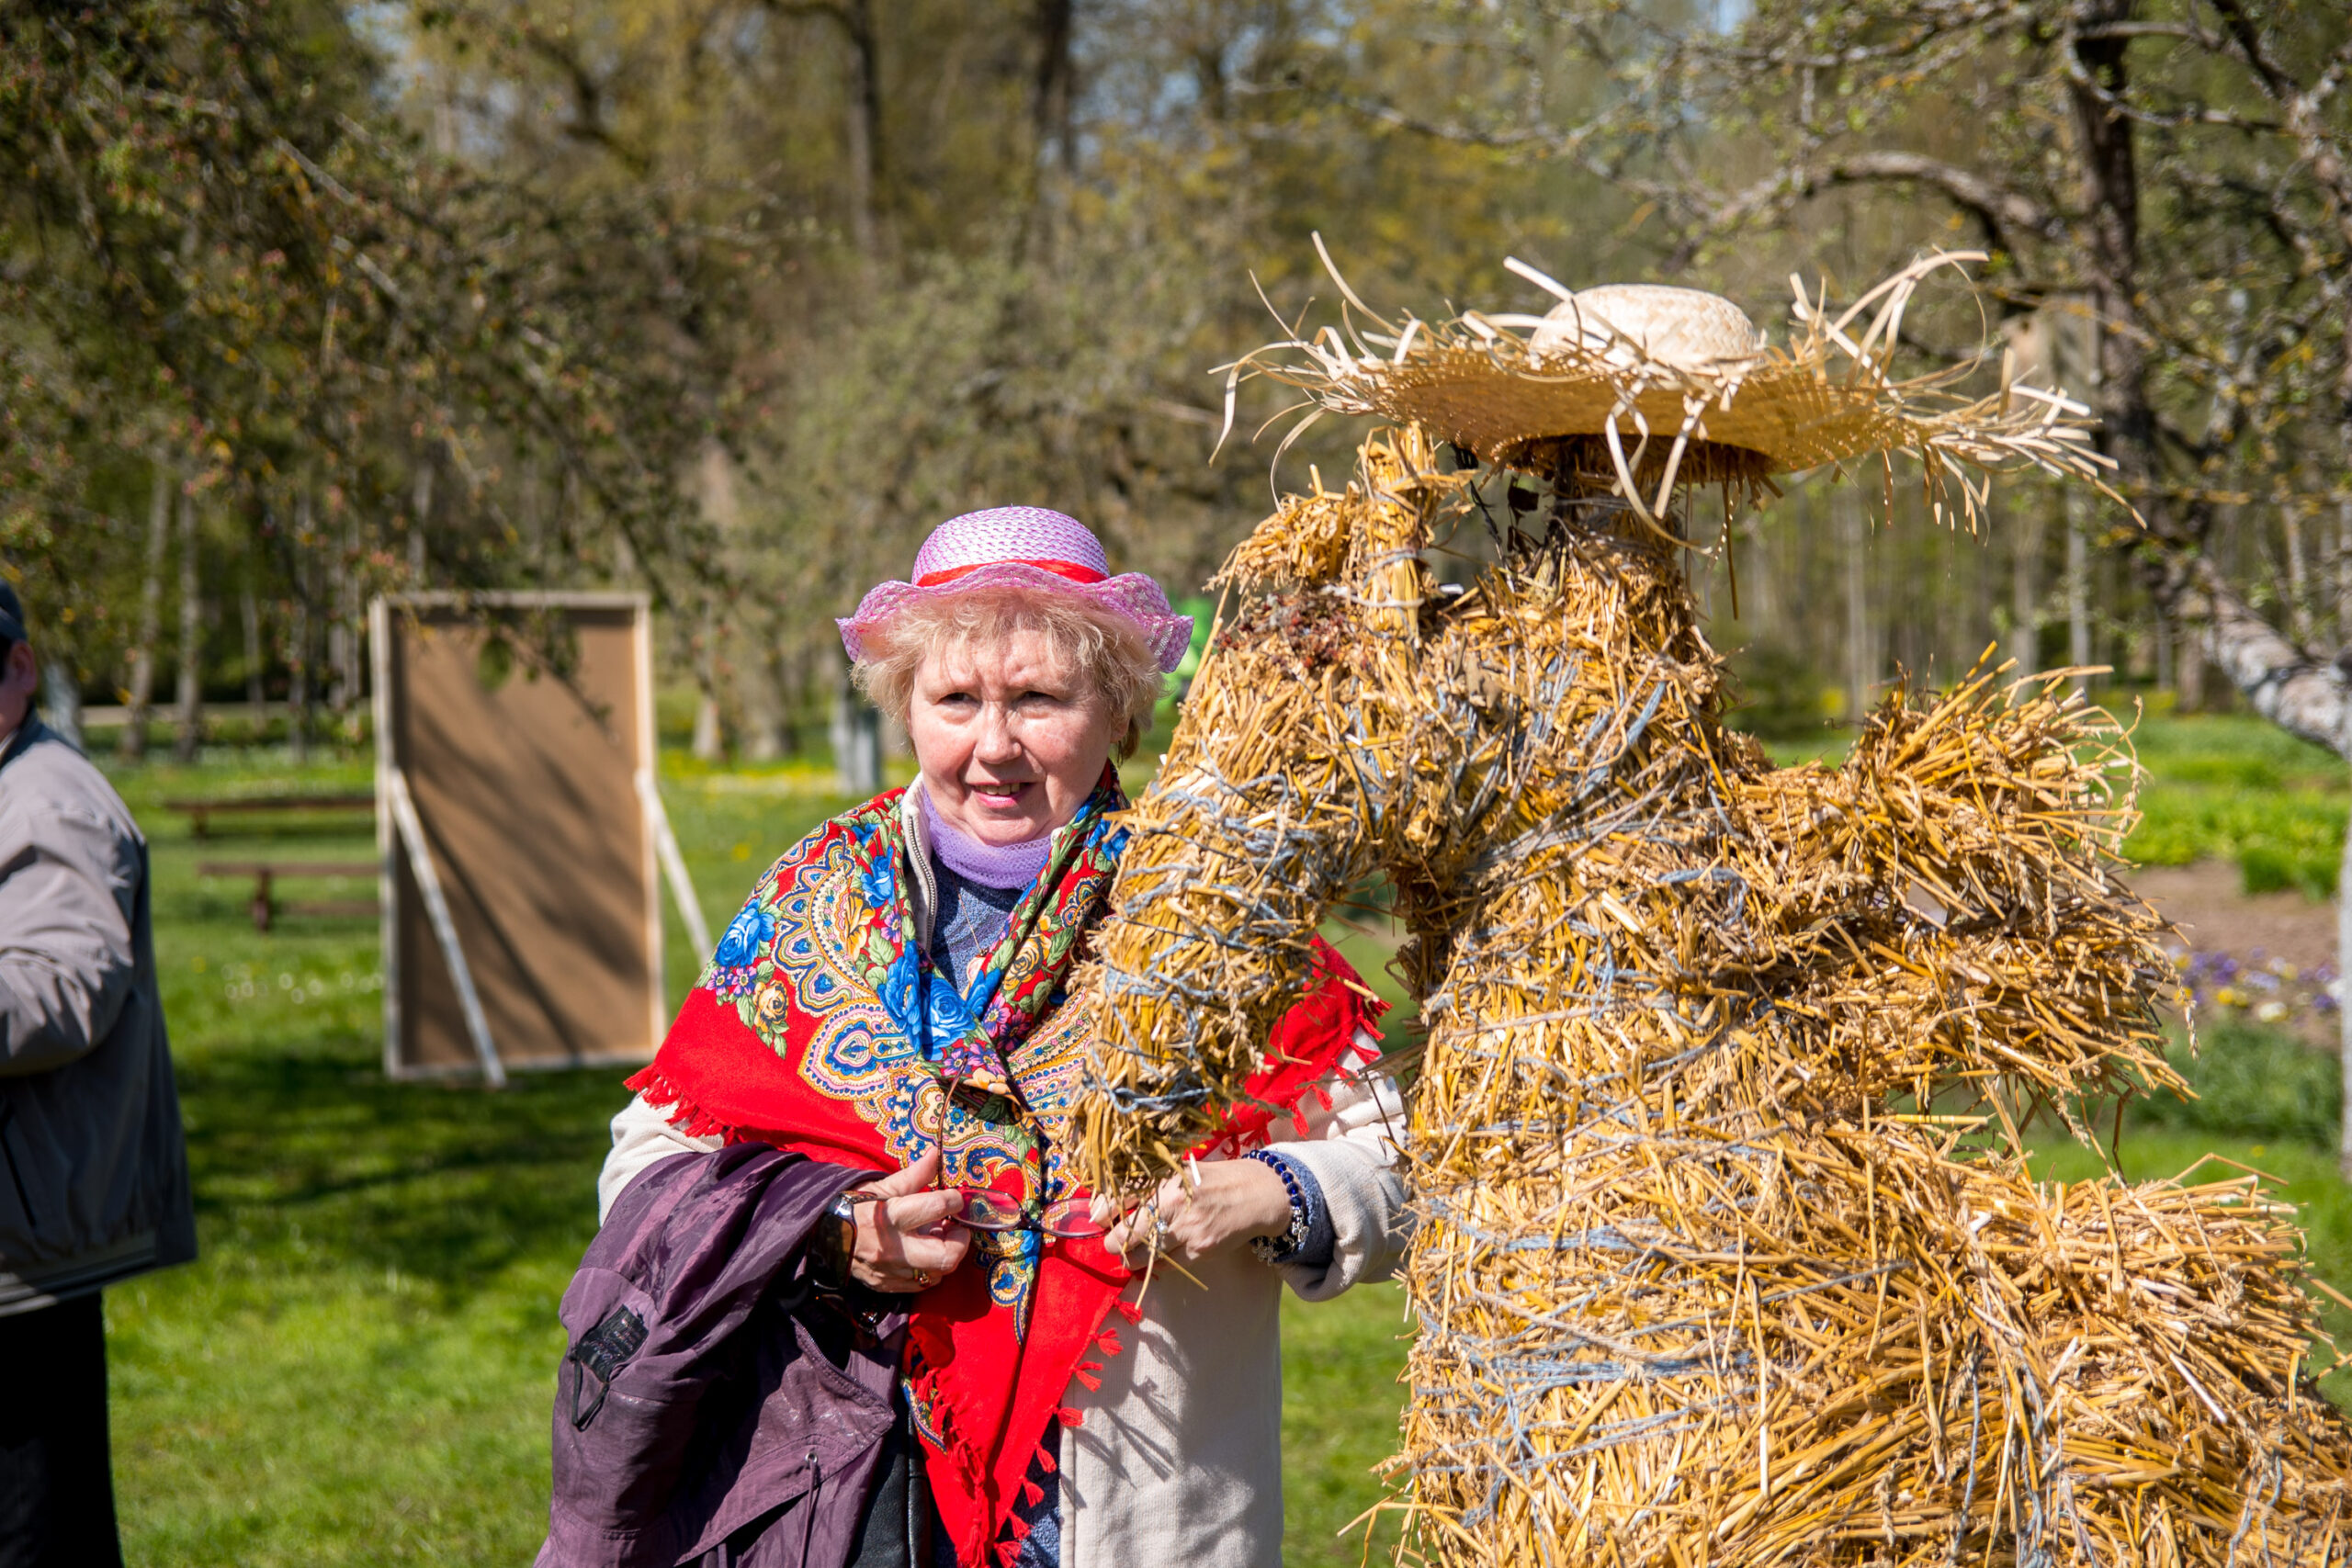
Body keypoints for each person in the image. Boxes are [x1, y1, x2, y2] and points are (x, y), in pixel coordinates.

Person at [541, 508, 1409, 1568]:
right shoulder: (816, 899)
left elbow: (1405, 1168)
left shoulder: (1217, 915)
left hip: (1136, 1513)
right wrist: (830, 1231)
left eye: (1038, 699)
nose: (994, 745)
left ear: (1117, 712)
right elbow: (649, 1166)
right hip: (855, 1499)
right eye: (956, 700)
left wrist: (1270, 1193)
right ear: (907, 708)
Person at [0, 581, 197, 1568]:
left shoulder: (50, 798)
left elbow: (66, 983)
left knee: (37, 1535)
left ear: (19, 666)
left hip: (29, 1245)